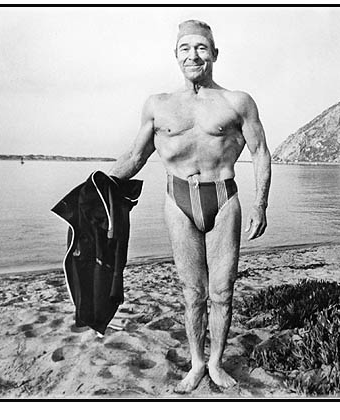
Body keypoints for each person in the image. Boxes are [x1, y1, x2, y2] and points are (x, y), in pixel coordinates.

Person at [109, 19, 271, 393]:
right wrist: (96, 186)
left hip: (223, 197)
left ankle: (216, 363)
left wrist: (260, 204)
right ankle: (196, 363)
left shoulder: (237, 102)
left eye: (201, 47)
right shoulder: (158, 105)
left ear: (214, 54)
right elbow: (135, 156)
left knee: (222, 291)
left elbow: (261, 152)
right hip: (177, 199)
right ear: (176, 56)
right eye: (186, 48)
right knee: (192, 292)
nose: (193, 54)